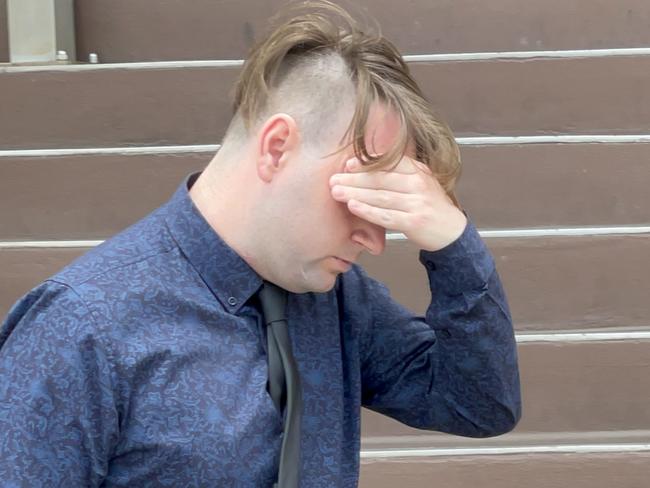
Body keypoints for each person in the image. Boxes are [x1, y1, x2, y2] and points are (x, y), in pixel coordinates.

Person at [0, 1, 521, 486]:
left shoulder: (335, 299)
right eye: (361, 194)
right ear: (277, 148)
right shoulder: (79, 328)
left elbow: (477, 404)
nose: (374, 239)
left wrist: (452, 243)